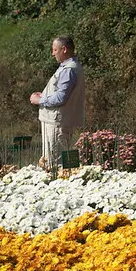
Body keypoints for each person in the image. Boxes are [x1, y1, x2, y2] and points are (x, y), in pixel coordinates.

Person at [29, 35, 86, 170]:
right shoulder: (70, 67)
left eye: (55, 50)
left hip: (56, 123)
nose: (52, 53)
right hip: (58, 121)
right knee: (54, 161)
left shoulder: (69, 69)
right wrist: (44, 94)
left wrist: (40, 100)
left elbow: (61, 98)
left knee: (54, 164)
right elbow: (62, 92)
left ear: (64, 49)